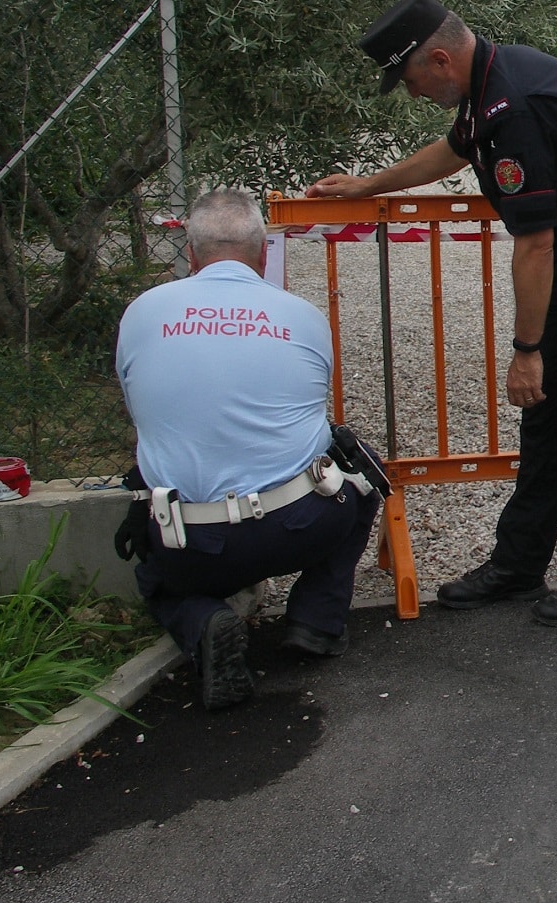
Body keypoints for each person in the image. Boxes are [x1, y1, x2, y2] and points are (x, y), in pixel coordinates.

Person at [305, 0, 557, 625]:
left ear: (441, 59)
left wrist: (526, 352)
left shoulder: (515, 107)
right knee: (546, 420)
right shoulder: (489, 85)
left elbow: (534, 242)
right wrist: (370, 184)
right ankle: (520, 566)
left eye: (411, 78)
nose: (413, 93)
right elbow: (453, 149)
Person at [117, 189, 380, 709]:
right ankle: (316, 623)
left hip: (189, 540)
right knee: (363, 482)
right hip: (297, 525)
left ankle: (203, 622)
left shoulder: (143, 312)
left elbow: (142, 416)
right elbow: (313, 407)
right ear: (264, 256)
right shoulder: (301, 315)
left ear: (190, 255)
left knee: (154, 575)